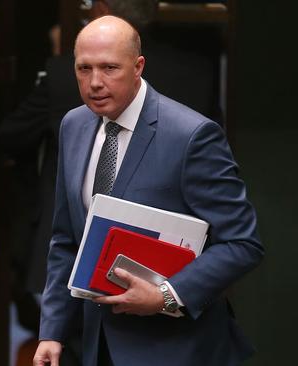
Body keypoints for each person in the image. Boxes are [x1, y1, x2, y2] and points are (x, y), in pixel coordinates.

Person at [33, 16, 263, 366]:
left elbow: (242, 243)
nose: (95, 82)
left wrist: (166, 296)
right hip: (97, 345)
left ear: (138, 66)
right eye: (84, 68)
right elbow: (67, 240)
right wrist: (52, 331)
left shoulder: (191, 136)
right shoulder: (74, 125)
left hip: (176, 349)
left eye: (110, 68)